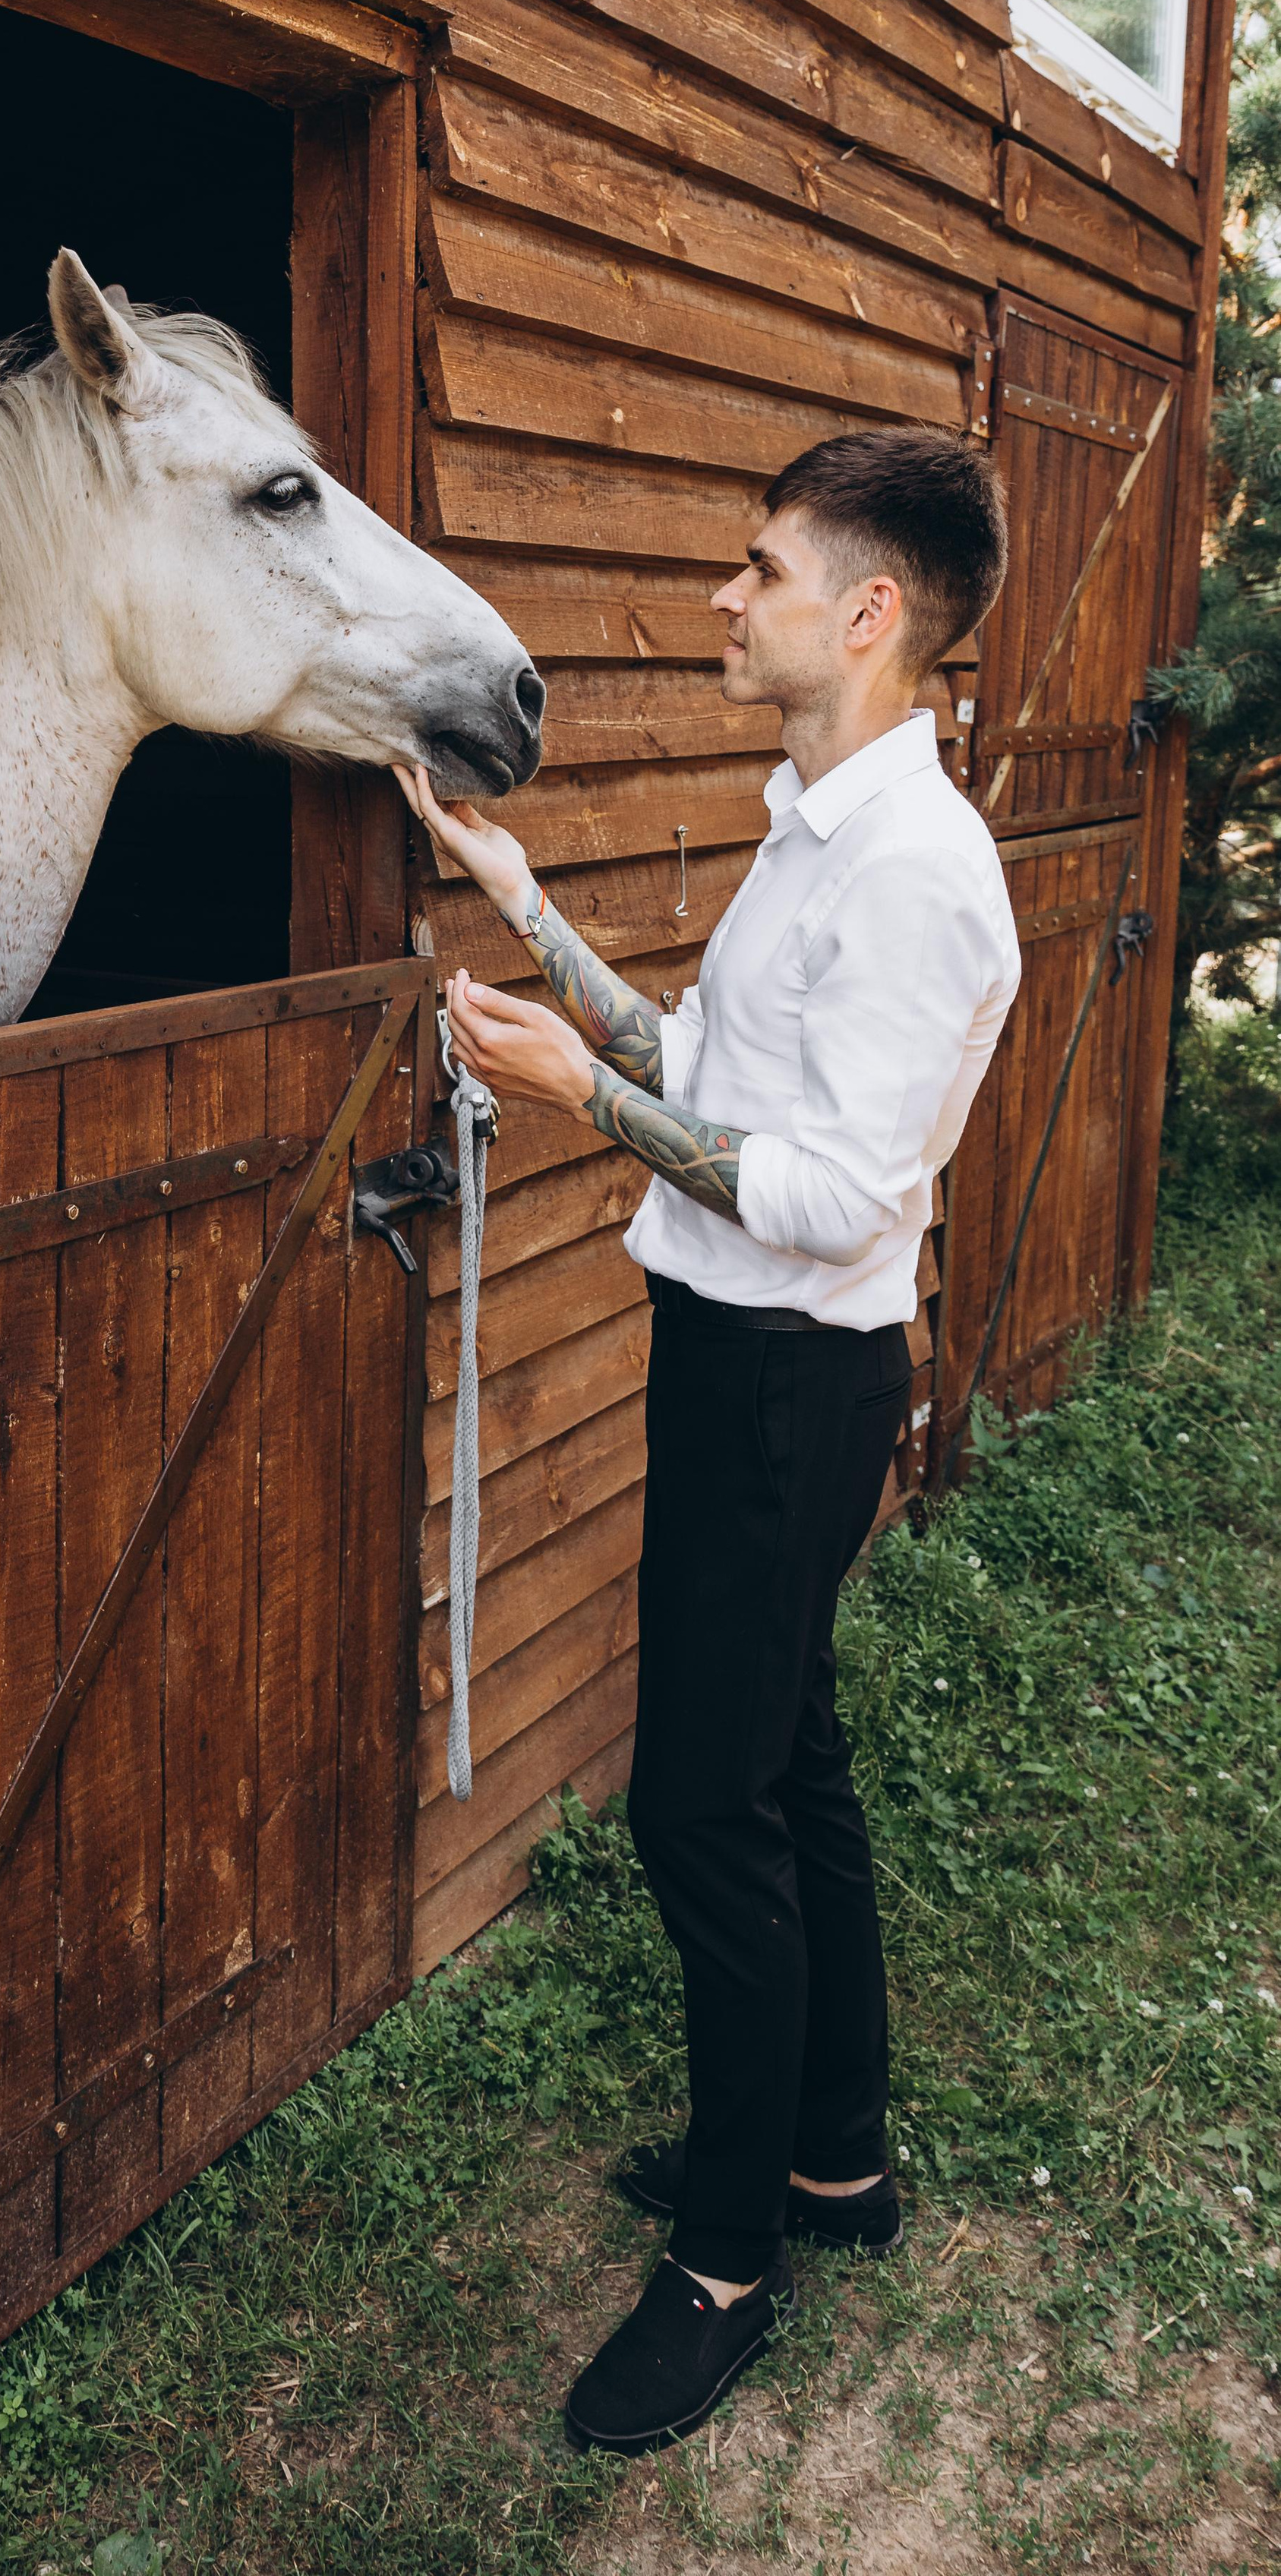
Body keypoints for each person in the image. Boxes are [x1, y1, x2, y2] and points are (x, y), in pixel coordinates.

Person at [396, 425, 1019, 2460]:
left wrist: (573, 1096)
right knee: (790, 1755)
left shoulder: (914, 875)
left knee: (700, 1811)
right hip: (742, 1362)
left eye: (762, 570)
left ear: (870, 613)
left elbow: (826, 1193)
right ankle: (834, 2158)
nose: (727, 598)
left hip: (783, 1381)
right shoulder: (820, 826)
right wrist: (530, 912)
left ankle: (730, 2265)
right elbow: (703, 1068)